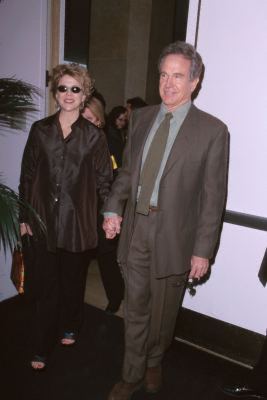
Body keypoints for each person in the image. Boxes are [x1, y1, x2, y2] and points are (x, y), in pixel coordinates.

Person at [102, 40, 229, 400]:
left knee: (163, 313)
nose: (168, 83)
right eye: (163, 75)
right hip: (137, 228)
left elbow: (212, 199)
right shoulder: (141, 119)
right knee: (136, 306)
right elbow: (127, 173)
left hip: (176, 236)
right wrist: (113, 207)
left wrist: (202, 251)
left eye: (178, 76)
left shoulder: (213, 131)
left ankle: (154, 360)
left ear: (195, 81)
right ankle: (131, 373)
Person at [19, 63, 112, 370]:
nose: (69, 94)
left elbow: (104, 182)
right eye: (63, 88)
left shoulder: (94, 137)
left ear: (85, 94)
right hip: (43, 221)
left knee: (72, 282)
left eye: (76, 89)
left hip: (77, 224)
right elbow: (28, 176)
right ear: (55, 92)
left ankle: (72, 322)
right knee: (46, 287)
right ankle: (41, 345)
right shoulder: (40, 130)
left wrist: (107, 217)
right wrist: (24, 216)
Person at [82, 99, 124, 314]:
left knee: (106, 259)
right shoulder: (72, 140)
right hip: (80, 211)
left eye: (90, 118)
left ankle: (115, 297)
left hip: (102, 208)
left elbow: (116, 177)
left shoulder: (109, 142)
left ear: (99, 119)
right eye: (82, 118)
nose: (85, 123)